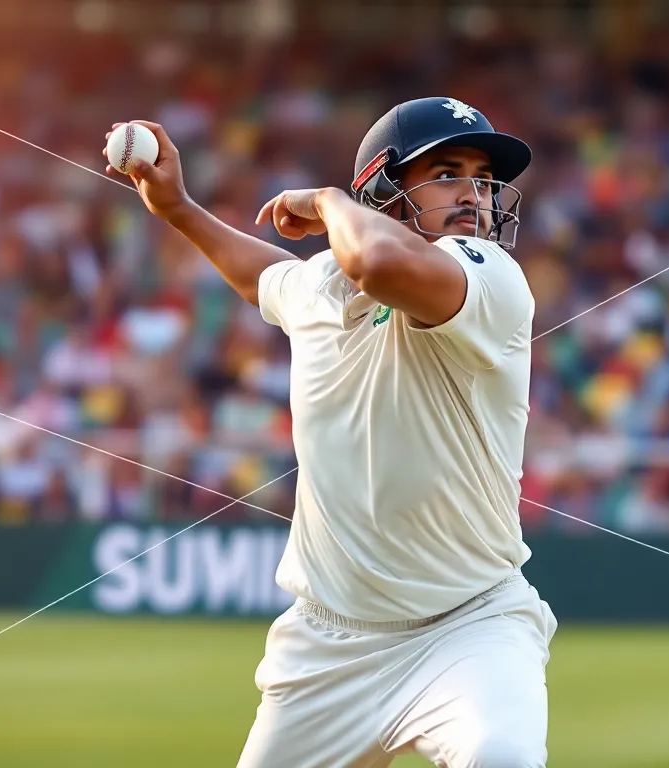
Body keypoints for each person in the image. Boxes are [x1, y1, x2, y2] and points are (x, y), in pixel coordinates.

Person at [105, 97, 557, 767]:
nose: (475, 194)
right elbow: (267, 277)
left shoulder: (491, 278)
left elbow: (376, 261)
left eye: (484, 179)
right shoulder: (322, 285)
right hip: (328, 646)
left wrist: (325, 201)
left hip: (470, 628)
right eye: (448, 173)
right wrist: (178, 209)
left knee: (501, 758)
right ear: (383, 189)